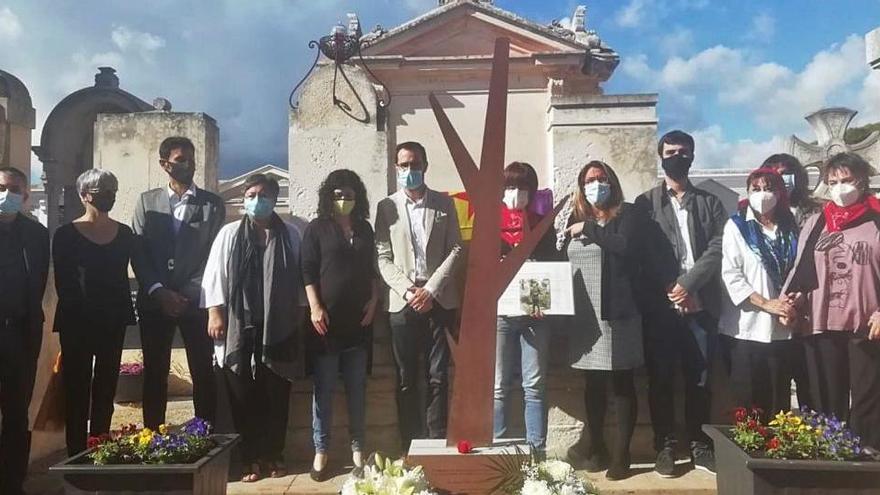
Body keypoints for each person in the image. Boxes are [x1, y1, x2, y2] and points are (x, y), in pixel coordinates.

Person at [561, 161, 674, 480]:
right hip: (585, 315)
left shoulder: (628, 214)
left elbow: (624, 248)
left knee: (621, 382)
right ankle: (596, 448)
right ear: (581, 187)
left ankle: (622, 456)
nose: (596, 185)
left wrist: (590, 230)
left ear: (611, 182)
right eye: (589, 180)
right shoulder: (576, 217)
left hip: (618, 311)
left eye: (601, 179)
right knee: (592, 384)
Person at [634, 130, 727, 476]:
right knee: (660, 378)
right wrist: (671, 287)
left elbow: (719, 245)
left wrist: (690, 285)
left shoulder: (710, 202)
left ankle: (700, 444)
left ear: (692, 156)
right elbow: (644, 250)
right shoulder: (646, 203)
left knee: (699, 378)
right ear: (661, 156)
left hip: (700, 305)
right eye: (671, 151)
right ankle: (665, 446)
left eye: (684, 152)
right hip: (662, 308)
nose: (678, 156)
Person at [201, 174, 305, 482]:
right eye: (250, 194)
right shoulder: (229, 233)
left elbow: (302, 278)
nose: (256, 199)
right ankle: (248, 457)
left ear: (275, 199)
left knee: (276, 392)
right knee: (242, 392)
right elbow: (214, 276)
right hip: (239, 325)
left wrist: (299, 315)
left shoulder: (291, 235)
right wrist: (214, 314)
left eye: (263, 194)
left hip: (279, 326)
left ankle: (274, 454)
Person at [784, 153, 880, 450]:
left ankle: (868, 459)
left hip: (867, 322)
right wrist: (788, 303)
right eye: (833, 182)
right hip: (821, 320)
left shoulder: (877, 217)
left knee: (868, 396)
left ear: (862, 180)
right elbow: (800, 269)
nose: (840, 187)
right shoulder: (816, 222)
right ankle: (831, 454)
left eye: (847, 180)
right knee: (827, 396)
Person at [131, 137, 225, 429]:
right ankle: (153, 435)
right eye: (181, 159)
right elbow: (138, 250)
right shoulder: (148, 202)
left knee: (202, 371)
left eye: (191, 158)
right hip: (155, 302)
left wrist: (185, 292)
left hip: (195, 302)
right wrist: (159, 291)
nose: (188, 164)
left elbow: (215, 253)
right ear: (164, 164)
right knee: (155, 372)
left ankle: (205, 434)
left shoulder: (212, 204)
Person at [375, 142, 463, 451]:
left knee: (439, 374)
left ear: (425, 166)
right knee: (406, 376)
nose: (409, 170)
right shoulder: (386, 207)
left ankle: (437, 441)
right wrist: (408, 289)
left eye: (414, 164)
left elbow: (455, 248)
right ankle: (409, 444)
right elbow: (382, 257)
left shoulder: (444, 203)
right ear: (396, 169)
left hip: (438, 300)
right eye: (403, 165)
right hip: (402, 301)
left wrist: (430, 289)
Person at [302, 169, 379, 481]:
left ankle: (358, 449)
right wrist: (315, 307)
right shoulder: (316, 229)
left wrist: (374, 300)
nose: (343, 200)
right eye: (338, 195)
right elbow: (307, 270)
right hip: (326, 325)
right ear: (328, 197)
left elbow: (373, 268)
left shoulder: (365, 229)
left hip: (359, 323)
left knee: (357, 389)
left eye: (349, 194)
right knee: (324, 389)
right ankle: (321, 451)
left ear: (357, 197)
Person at [53, 169, 135, 456]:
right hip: (77, 322)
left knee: (106, 386)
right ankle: (75, 452)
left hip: (113, 321)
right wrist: (84, 314)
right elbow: (64, 283)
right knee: (76, 386)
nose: (109, 196)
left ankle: (100, 447)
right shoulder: (65, 235)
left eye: (113, 190)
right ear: (84, 195)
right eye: (103, 191)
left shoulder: (124, 234)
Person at [719, 168, 799, 422]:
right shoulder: (737, 226)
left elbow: (800, 271)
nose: (763, 194)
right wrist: (767, 304)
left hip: (782, 328)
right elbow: (731, 274)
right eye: (756, 189)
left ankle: (777, 452)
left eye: (769, 188)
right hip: (746, 327)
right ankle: (747, 453)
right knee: (747, 399)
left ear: (779, 193)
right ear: (748, 191)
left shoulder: (790, 226)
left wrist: (789, 305)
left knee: (777, 398)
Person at [493, 162, 559, 455]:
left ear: (532, 192)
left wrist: (539, 301)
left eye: (522, 188)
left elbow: (550, 264)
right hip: (500, 315)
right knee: (498, 386)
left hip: (535, 316)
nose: (515, 193)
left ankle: (536, 451)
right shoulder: (490, 224)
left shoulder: (543, 224)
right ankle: (495, 448)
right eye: (509, 187)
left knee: (534, 385)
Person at [0, 167, 49, 495]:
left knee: (17, 415)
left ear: (26, 195)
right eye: (2, 187)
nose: (7, 194)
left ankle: (13, 482)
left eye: (15, 189)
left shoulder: (35, 234)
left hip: (21, 335)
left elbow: (39, 282)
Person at [759, 153, 819, 412]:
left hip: (810, 312)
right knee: (776, 388)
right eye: (775, 172)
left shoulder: (818, 211)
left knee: (812, 386)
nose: (783, 178)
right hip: (775, 312)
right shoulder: (761, 215)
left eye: (788, 172)